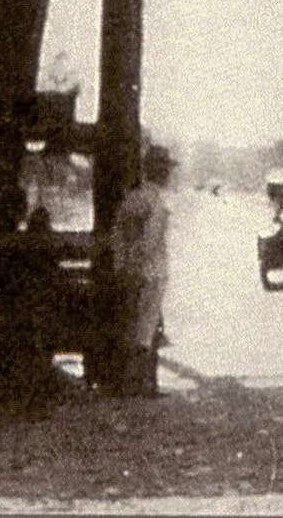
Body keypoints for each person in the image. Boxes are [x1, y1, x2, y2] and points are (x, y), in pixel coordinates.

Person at [110, 144, 173, 395]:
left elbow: (117, 235)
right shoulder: (156, 202)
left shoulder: (132, 198)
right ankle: (143, 384)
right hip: (152, 272)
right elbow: (150, 241)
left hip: (130, 271)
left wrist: (123, 264)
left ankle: (128, 381)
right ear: (163, 173)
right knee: (148, 328)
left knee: (132, 325)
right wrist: (138, 260)